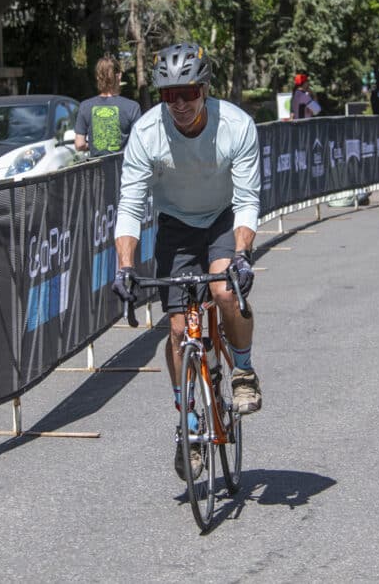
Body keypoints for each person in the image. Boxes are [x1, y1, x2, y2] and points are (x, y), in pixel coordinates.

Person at [110, 42, 262, 481]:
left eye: (188, 92)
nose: (178, 104)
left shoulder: (236, 125)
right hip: (176, 225)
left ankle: (244, 371)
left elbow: (248, 200)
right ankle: (188, 421)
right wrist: (125, 267)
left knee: (223, 290)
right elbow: (130, 206)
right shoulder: (147, 133)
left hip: (223, 217)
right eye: (168, 95)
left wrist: (242, 255)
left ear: (204, 90)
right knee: (178, 329)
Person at [74, 56, 143, 157]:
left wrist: (92, 146)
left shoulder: (85, 106)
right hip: (124, 165)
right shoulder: (132, 107)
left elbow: (79, 144)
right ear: (119, 76)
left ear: (97, 77)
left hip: (97, 166)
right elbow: (139, 143)